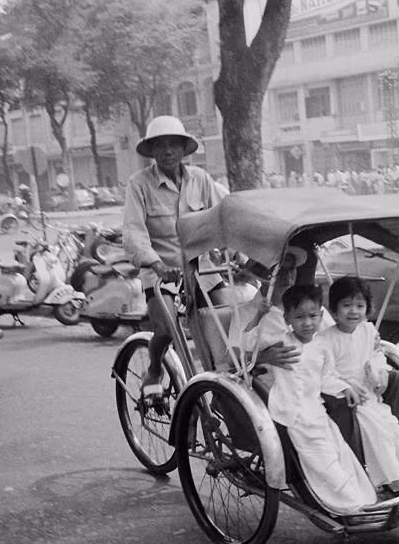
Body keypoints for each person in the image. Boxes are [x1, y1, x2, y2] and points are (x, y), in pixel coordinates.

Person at [231, 283, 380, 513]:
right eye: (299, 317)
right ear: (287, 318)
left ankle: (357, 493)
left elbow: (327, 377)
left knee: (335, 449)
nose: (308, 323)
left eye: (313, 316)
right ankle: (349, 501)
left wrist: (344, 387)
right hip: (289, 409)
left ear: (321, 316)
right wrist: (259, 316)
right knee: (319, 453)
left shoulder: (322, 345)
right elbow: (247, 343)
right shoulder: (281, 340)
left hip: (315, 409)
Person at [122, 115, 227, 395]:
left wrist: (229, 252)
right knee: (167, 326)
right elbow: (133, 232)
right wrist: (155, 264)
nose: (168, 151)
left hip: (201, 268)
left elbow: (222, 217)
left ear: (183, 149)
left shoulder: (201, 179)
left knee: (228, 317)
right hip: (161, 271)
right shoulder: (139, 184)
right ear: (152, 151)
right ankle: (155, 367)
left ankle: (223, 381)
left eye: (173, 145)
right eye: (160, 145)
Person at [318, 276, 399, 493]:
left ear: (367, 308)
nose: (353, 311)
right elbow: (324, 373)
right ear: (333, 309)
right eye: (346, 306)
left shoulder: (367, 331)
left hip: (371, 393)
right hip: (350, 397)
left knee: (393, 429)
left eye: (359, 306)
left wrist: (381, 373)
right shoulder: (326, 339)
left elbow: (377, 355)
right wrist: (344, 385)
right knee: (380, 434)